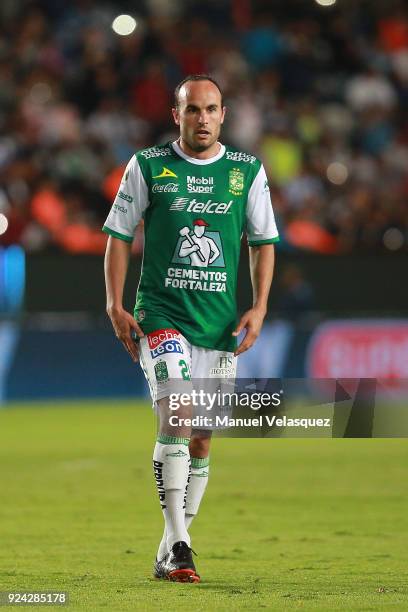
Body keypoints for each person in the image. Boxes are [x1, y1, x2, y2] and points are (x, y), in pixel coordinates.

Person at [103, 74, 279, 583]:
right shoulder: (148, 166)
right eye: (192, 109)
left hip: (219, 324)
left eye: (211, 109)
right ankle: (181, 545)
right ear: (175, 115)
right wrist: (115, 303)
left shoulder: (246, 171)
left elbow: (262, 241)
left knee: (201, 438)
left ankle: (168, 547)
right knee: (176, 417)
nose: (202, 118)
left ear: (223, 115)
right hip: (161, 317)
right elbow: (118, 234)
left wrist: (260, 307)